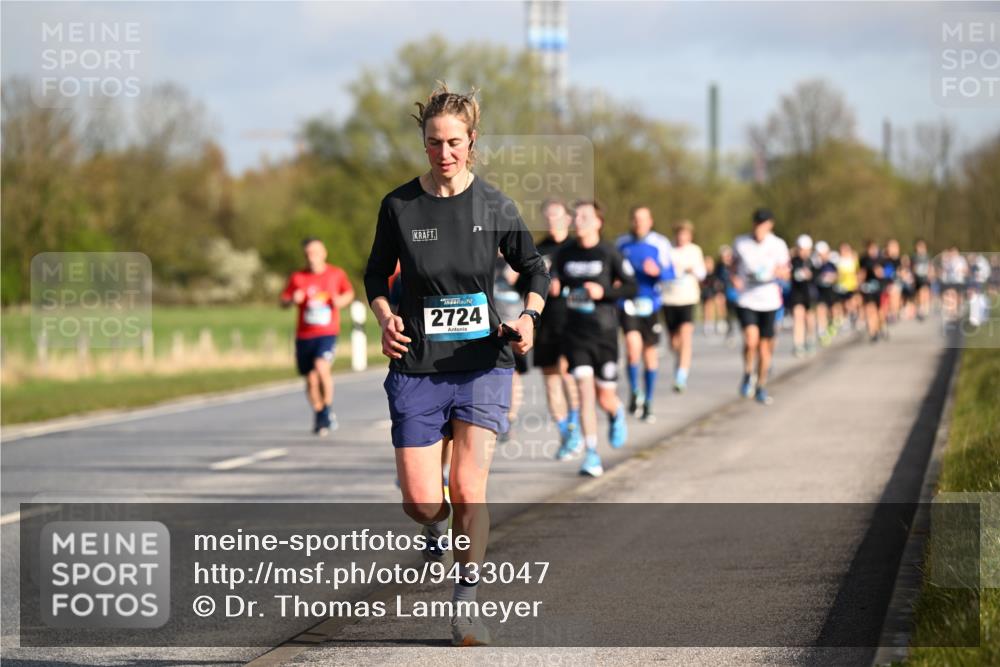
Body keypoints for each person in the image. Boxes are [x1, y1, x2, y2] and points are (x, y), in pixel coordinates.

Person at [363, 85, 549, 647]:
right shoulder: (398, 205)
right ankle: (434, 528)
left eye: (453, 142)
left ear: (471, 143)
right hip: (418, 363)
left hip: (481, 362)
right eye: (432, 142)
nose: (443, 152)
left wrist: (529, 317)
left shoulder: (494, 206)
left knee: (470, 488)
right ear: (423, 144)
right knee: (422, 502)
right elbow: (375, 275)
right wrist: (384, 317)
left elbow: (535, 269)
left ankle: (466, 600)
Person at [552, 200, 637, 477]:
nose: (579, 220)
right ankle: (591, 454)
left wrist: (604, 293)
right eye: (576, 216)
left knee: (604, 397)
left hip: (605, 333)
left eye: (585, 216)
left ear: (598, 222)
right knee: (584, 394)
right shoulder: (565, 252)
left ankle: (616, 413)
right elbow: (554, 279)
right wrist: (552, 285)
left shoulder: (609, 251)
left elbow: (631, 286)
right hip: (575, 333)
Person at [523, 199, 582, 461]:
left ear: (568, 219)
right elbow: (526, 285)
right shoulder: (537, 250)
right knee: (550, 380)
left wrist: (565, 287)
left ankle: (575, 427)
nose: (551, 220)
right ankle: (565, 434)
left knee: (567, 374)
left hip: (572, 320)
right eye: (547, 216)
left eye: (557, 215)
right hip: (545, 322)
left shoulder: (575, 248)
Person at [280, 238, 354, 435]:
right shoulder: (298, 277)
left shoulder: (336, 274)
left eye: (315, 252)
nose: (311, 257)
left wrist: (340, 301)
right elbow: (284, 300)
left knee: (322, 367)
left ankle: (327, 409)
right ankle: (320, 412)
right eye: (308, 253)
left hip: (327, 332)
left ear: (324, 253)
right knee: (311, 380)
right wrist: (292, 300)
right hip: (304, 335)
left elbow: (349, 293)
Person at [615, 205, 672, 422]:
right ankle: (635, 392)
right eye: (635, 219)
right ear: (631, 221)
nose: (639, 223)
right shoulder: (621, 243)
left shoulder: (660, 243)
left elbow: (671, 272)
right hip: (627, 302)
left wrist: (658, 271)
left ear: (650, 221)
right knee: (631, 349)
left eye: (643, 219)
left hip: (651, 304)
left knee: (649, 353)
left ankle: (648, 400)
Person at [731, 208, 790, 405]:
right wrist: (734, 278)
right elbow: (732, 266)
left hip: (769, 300)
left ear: (770, 225)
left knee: (765, 349)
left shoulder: (778, 244)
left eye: (763, 223)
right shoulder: (741, 243)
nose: (759, 227)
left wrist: (780, 272)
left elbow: (786, 270)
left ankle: (761, 385)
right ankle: (748, 372)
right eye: (757, 223)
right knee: (750, 341)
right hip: (747, 299)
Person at [661, 220, 707, 393]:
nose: (682, 237)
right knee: (673, 342)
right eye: (679, 234)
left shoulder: (695, 251)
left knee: (686, 336)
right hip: (669, 299)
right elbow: (661, 270)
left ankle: (681, 375)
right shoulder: (667, 249)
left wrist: (691, 269)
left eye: (685, 234)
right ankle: (680, 360)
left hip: (688, 298)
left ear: (690, 236)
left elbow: (702, 274)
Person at [789, 234, 817, 357]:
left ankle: (810, 339)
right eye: (801, 249)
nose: (803, 252)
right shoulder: (793, 261)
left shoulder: (812, 261)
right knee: (798, 317)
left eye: (806, 249)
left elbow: (818, 276)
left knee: (809, 318)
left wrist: (811, 275)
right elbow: (789, 275)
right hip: (797, 293)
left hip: (809, 294)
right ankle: (798, 344)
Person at [813, 241, 839, 346]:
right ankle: (822, 331)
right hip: (820, 292)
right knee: (821, 309)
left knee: (832, 311)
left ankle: (832, 324)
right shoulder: (816, 265)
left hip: (831, 291)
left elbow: (837, 276)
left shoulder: (831, 265)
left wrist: (832, 277)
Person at [859, 240, 886, 342]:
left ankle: (879, 327)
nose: (872, 251)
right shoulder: (863, 260)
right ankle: (872, 332)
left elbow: (884, 274)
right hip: (867, 288)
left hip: (878, 288)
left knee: (879, 311)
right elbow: (861, 273)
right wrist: (860, 283)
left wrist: (880, 272)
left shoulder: (881, 260)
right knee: (870, 309)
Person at [911, 239, 932, 321]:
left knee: (925, 291)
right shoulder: (914, 257)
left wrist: (930, 274)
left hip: (925, 278)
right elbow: (912, 268)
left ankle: (924, 307)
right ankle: (920, 307)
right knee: (919, 293)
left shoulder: (927, 256)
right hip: (918, 278)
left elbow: (930, 266)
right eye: (919, 247)